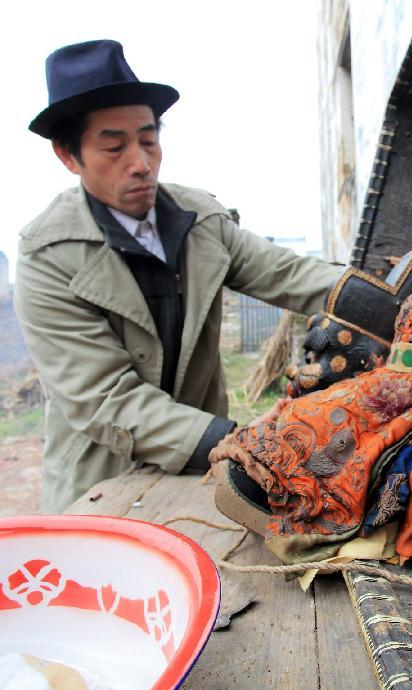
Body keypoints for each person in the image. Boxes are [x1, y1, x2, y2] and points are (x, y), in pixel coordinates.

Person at [14, 40, 343, 512]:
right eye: (114, 146)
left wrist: (395, 296)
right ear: (68, 156)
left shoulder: (199, 219)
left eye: (149, 140)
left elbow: (289, 273)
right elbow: (106, 398)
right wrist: (240, 440)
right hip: (104, 483)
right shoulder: (48, 255)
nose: (141, 163)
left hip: (205, 469)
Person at [210, 207, 412, 562]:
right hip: (393, 382)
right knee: (312, 405)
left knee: (328, 419)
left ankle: (296, 496)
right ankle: (276, 474)